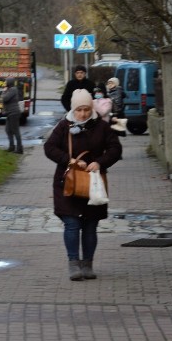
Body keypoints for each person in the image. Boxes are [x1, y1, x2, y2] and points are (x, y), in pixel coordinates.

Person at [44, 89, 122, 281]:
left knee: (90, 226)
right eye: (79, 109)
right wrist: (69, 160)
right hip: (68, 183)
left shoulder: (102, 127)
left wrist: (100, 162)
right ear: (73, 109)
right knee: (71, 224)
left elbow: (115, 148)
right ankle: (73, 263)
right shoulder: (64, 126)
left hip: (93, 184)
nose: (83, 113)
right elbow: (49, 147)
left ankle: (87, 263)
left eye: (86, 109)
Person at [1, 77, 23, 153]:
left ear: (9, 83)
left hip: (13, 113)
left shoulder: (13, 89)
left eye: (6, 81)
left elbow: (5, 99)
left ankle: (19, 149)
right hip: (10, 113)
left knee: (15, 131)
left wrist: (3, 92)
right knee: (8, 130)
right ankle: (11, 147)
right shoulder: (10, 90)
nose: (5, 83)